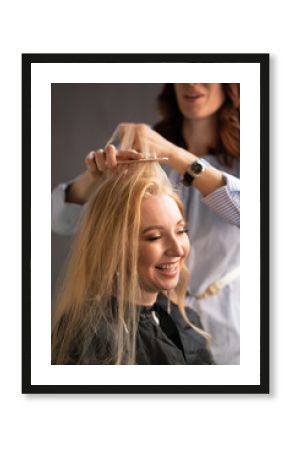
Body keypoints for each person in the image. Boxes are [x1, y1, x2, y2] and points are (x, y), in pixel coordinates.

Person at [52, 83, 240, 364]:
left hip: (228, 325)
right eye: (153, 237)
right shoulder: (141, 148)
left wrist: (175, 155)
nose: (192, 82)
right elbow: (59, 220)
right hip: (148, 315)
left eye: (182, 231)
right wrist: (96, 175)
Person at [51, 161, 214, 365]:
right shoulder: (90, 337)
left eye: (181, 231)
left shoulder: (185, 319)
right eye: (154, 237)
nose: (178, 249)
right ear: (114, 247)